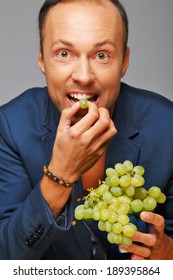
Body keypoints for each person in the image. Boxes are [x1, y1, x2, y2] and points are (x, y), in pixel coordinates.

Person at [0, 0, 173, 260]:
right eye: (64, 54)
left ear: (124, 62)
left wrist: (168, 255)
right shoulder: (10, 125)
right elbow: (6, 255)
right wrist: (60, 174)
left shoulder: (167, 124)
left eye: (101, 55)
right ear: (42, 59)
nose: (83, 76)